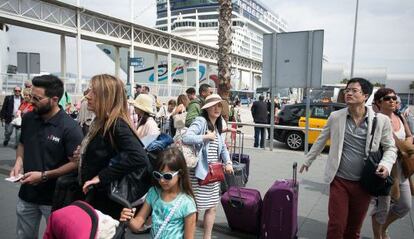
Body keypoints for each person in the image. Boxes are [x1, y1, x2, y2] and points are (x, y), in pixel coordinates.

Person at [300, 78, 397, 239]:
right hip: (339, 181)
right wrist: (308, 160)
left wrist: (386, 165)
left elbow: (390, 147)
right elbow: (321, 140)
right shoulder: (336, 117)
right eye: (347, 90)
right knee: (336, 225)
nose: (349, 93)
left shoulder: (381, 121)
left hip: (364, 183)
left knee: (354, 229)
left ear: (365, 96)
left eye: (354, 90)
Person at [9, 75, 83, 238]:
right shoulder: (29, 118)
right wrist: (18, 162)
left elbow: (75, 163)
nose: (32, 101)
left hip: (56, 199)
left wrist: (44, 176)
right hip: (27, 194)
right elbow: (22, 143)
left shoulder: (70, 127)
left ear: (54, 99)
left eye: (37, 98)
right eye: (30, 96)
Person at [79, 74, 150, 219]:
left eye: (94, 92)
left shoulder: (116, 124)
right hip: (97, 197)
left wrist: (101, 177)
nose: (88, 96)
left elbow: (139, 157)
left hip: (106, 203)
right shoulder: (102, 121)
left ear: (107, 97)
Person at [182, 94, 233, 239]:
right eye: (213, 105)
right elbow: (187, 137)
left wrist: (228, 162)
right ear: (207, 108)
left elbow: (222, 148)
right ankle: (189, 236)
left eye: (219, 105)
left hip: (213, 173)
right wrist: (205, 137)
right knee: (195, 208)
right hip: (199, 172)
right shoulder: (201, 121)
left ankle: (207, 237)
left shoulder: (218, 124)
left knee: (212, 207)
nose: (217, 108)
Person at [120, 148, 197, 238]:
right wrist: (128, 218)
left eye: (167, 176)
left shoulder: (187, 203)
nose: (162, 180)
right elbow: (137, 225)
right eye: (158, 175)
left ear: (180, 173)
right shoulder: (154, 193)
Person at [371, 88, 412, 239]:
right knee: (382, 209)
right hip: (388, 170)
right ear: (379, 102)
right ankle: (378, 235)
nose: (393, 101)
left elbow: (409, 136)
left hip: (403, 169)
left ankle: (383, 228)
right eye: (388, 98)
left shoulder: (399, 116)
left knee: (405, 205)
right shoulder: (377, 120)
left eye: (395, 98)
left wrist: (406, 145)